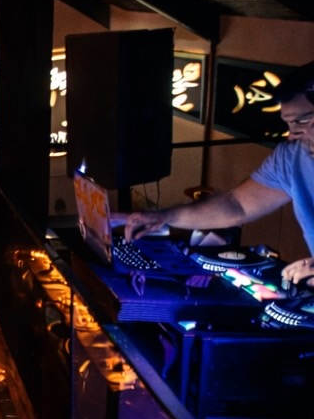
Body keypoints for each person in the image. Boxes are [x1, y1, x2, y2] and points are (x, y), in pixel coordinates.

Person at [125, 61, 314, 287]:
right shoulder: (290, 157)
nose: (294, 133)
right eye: (289, 123)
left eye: (302, 120)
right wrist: (165, 217)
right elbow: (237, 205)